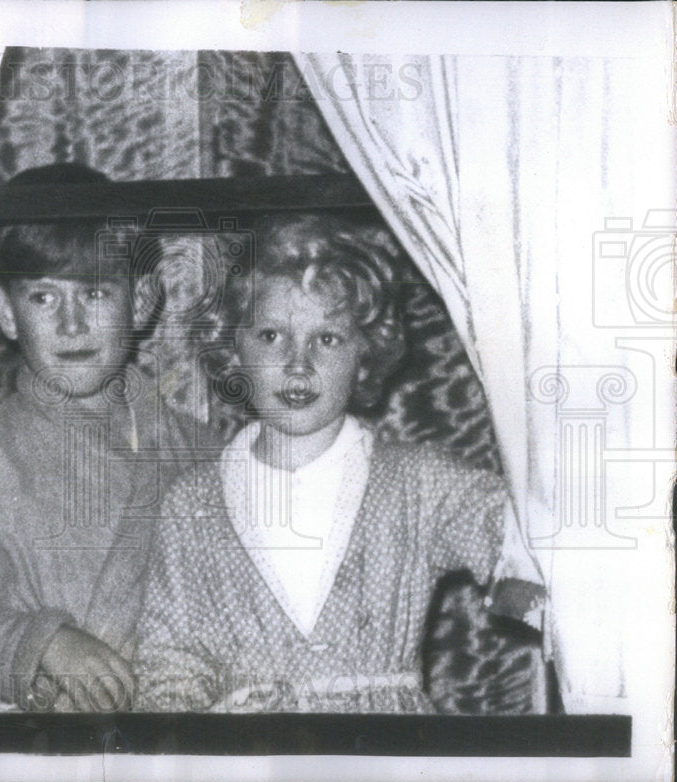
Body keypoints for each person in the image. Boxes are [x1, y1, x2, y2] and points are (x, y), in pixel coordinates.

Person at [133, 212, 524, 713]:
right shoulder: (192, 505)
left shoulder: (420, 482)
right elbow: (172, 662)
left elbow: (515, 534)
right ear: (233, 346)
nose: (299, 364)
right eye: (272, 336)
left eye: (327, 339)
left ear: (366, 351)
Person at [0, 163, 214, 712]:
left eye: (97, 294)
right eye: (43, 298)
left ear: (144, 300)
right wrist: (40, 645)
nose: (72, 324)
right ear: (5, 312)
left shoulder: (205, 451)